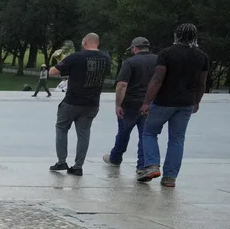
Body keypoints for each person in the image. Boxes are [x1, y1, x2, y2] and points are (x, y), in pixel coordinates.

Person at [138, 23, 210, 187]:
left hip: (164, 101)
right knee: (177, 139)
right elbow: (201, 83)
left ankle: (152, 165)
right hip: (186, 103)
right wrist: (196, 101)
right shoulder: (202, 56)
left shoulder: (167, 53)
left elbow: (157, 79)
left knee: (149, 132)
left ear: (176, 35)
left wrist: (146, 102)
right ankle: (170, 177)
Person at [48, 33, 110, 176]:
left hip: (72, 101)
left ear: (84, 42)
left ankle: (61, 161)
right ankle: (78, 166)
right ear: (98, 43)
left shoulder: (76, 57)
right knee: (84, 133)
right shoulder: (106, 58)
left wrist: (61, 61)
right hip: (92, 102)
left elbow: (52, 72)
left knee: (62, 128)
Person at [104, 37, 156, 171]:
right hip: (150, 103)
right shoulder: (158, 61)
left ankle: (115, 158)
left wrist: (118, 104)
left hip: (131, 104)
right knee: (145, 135)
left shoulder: (131, 62)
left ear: (135, 48)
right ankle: (142, 166)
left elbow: (122, 85)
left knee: (123, 132)